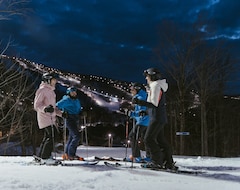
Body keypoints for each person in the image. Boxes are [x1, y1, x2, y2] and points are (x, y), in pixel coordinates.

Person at [133, 67, 177, 170]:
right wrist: (145, 111)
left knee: (148, 139)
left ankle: (157, 162)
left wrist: (139, 102)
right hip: (158, 116)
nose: (146, 79)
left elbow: (154, 104)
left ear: (152, 76)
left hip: (156, 117)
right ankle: (168, 162)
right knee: (160, 140)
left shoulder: (156, 86)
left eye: (147, 76)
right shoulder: (156, 86)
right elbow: (155, 104)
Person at [34, 72, 59, 160]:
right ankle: (45, 157)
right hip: (44, 117)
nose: (55, 81)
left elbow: (53, 107)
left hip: (51, 118)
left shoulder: (51, 91)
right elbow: (37, 105)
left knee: (49, 136)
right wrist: (45, 109)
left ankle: (41, 156)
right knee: (52, 135)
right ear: (48, 80)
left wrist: (61, 113)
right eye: (53, 79)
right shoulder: (42, 90)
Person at [126, 83, 150, 162]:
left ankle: (136, 156)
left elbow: (142, 112)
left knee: (132, 136)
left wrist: (132, 113)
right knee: (146, 138)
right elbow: (139, 112)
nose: (131, 91)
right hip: (145, 121)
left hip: (143, 121)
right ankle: (149, 157)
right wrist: (131, 114)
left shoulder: (141, 97)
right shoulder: (141, 96)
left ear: (137, 89)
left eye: (132, 89)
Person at [56, 86, 82, 160]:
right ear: (68, 93)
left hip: (76, 118)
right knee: (76, 136)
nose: (74, 93)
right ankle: (71, 154)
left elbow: (79, 108)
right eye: (72, 92)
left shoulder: (76, 100)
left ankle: (67, 154)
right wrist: (62, 112)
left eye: (75, 92)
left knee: (71, 137)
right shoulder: (67, 99)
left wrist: (81, 112)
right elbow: (57, 105)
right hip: (69, 119)